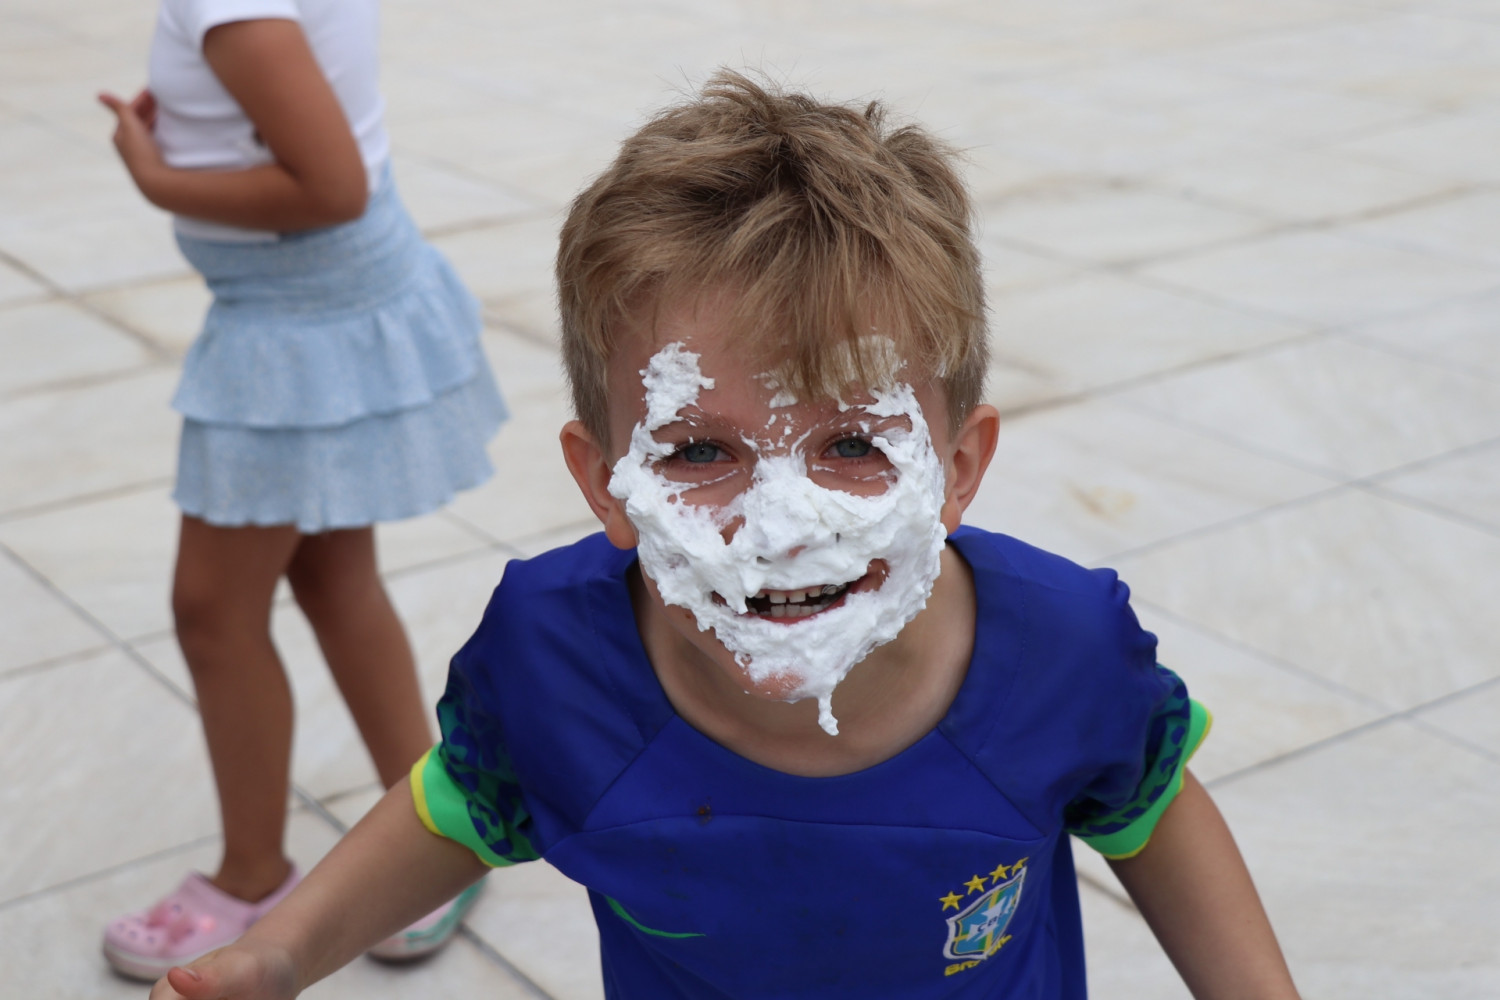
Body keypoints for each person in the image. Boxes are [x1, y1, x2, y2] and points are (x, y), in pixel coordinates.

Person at [143, 72, 1301, 1000]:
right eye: (699, 450)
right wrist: (284, 951)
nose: (779, 526)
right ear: (605, 483)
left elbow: (1157, 812)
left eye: (853, 443)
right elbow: (456, 810)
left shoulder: (1062, 651)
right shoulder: (553, 666)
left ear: (956, 470)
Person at [96, 0, 504, 980]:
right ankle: (446, 838)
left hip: (298, 317)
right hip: (317, 296)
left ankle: (252, 877)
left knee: (211, 609)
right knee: (331, 577)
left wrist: (157, 176)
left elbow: (330, 184)